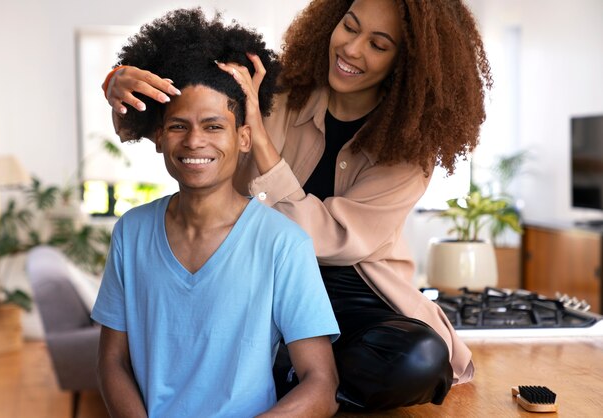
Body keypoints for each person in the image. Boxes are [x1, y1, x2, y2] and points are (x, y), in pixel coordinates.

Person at [104, 0, 492, 411]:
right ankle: (296, 377)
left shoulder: (410, 147)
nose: (352, 49)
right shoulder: (277, 87)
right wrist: (117, 81)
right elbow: (180, 118)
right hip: (257, 273)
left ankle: (298, 379)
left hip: (354, 289)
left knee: (419, 360)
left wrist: (263, 144)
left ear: (406, 62)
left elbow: (332, 238)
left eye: (378, 45)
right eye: (349, 26)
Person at [91, 8, 341, 417]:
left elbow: (321, 384)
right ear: (158, 136)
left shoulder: (284, 243)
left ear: (244, 138)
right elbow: (111, 361)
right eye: (178, 126)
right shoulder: (131, 233)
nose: (194, 141)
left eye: (212, 126)